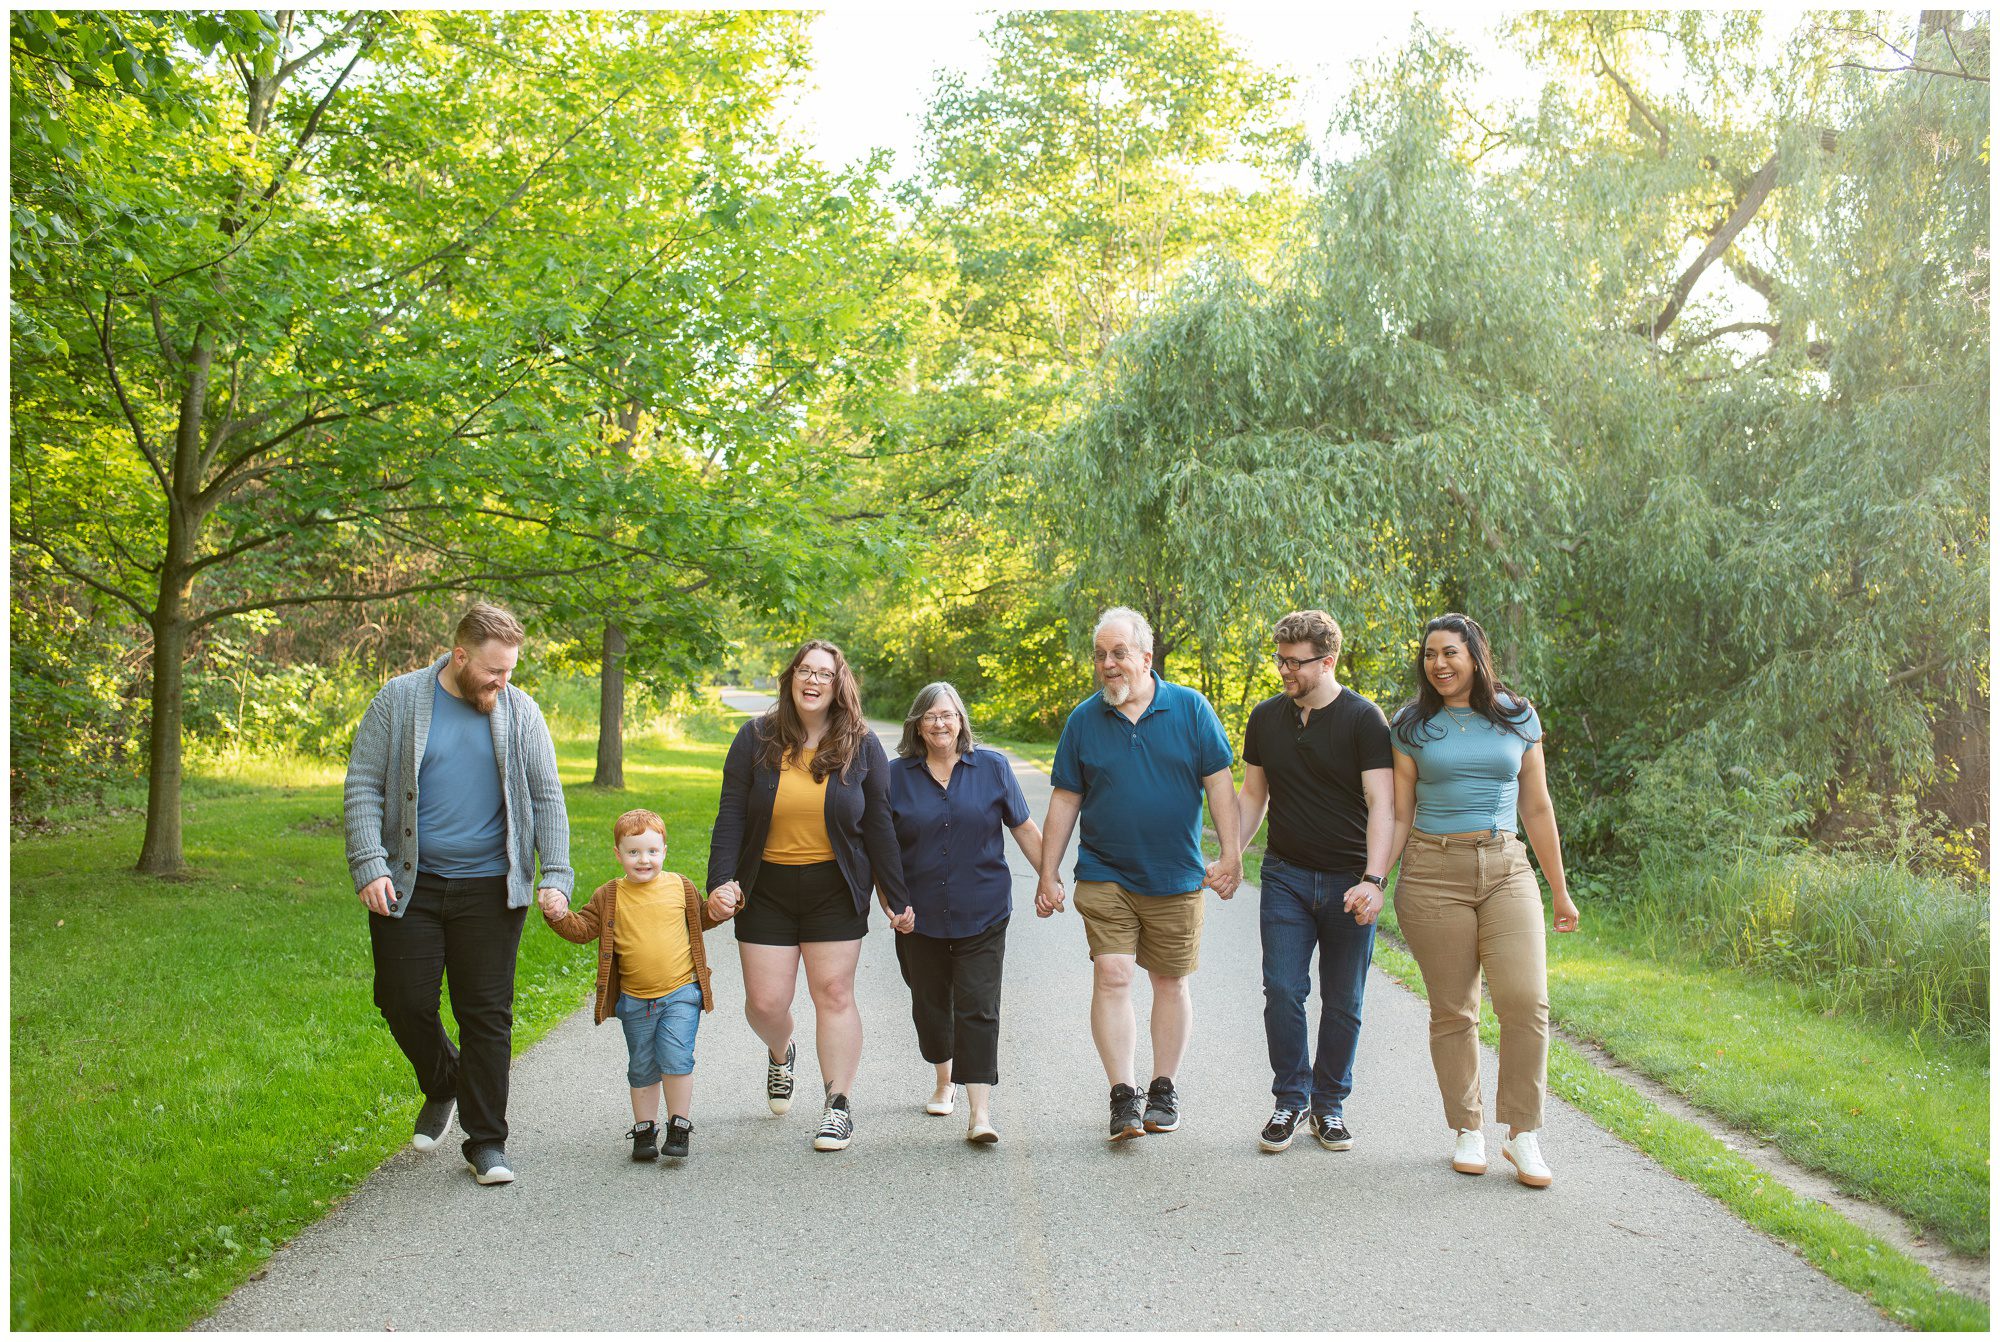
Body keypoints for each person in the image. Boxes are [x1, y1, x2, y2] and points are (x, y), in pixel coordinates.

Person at [343, 601, 573, 1186]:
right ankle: (444, 1079)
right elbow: (364, 785)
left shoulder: (520, 711)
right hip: (409, 882)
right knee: (402, 1001)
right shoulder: (398, 701)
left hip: (491, 889)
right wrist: (370, 863)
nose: (503, 682)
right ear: (459, 655)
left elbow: (547, 797)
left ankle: (487, 1142)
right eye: (494, 671)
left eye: (511, 671)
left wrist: (555, 875)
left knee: (486, 1015)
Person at [1387, 612, 1580, 1188]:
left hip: (1504, 866)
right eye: (1429, 655)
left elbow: (1537, 808)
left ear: (1475, 654)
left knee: (1526, 1001)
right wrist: (1376, 879)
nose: (1439, 664)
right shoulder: (1411, 726)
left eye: (1450, 652)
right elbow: (1400, 813)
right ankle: (1467, 1127)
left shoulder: (1518, 717)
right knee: (1454, 1009)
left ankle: (1523, 1135)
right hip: (1431, 871)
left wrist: (1560, 890)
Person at [1036, 606, 1241, 1142]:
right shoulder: (1084, 719)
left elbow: (1220, 784)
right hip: (1106, 872)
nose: (1108, 664)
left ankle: (1164, 1085)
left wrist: (1232, 855)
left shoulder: (1192, 709)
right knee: (1113, 974)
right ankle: (1124, 1094)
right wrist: (1047, 871)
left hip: (1177, 875)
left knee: (1170, 981)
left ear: (1146, 658)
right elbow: (1065, 797)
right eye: (1100, 655)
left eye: (1118, 653)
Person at [706, 639, 914, 1152]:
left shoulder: (862, 745)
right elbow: (731, 811)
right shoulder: (755, 737)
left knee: (835, 994)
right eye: (805, 670)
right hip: (767, 887)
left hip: (834, 888)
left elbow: (879, 824)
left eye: (824, 672)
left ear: (838, 683)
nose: (813, 680)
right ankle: (782, 1053)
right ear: (791, 678)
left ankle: (837, 1106)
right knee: (765, 1002)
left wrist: (894, 893)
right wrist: (719, 882)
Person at [1223, 610, 1393, 1155]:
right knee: (1284, 991)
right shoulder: (1266, 718)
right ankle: (1290, 1100)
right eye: (1280, 660)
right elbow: (1253, 796)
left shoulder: (1364, 720)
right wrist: (1232, 856)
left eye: (1295, 663)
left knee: (1345, 1000)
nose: (1284, 672)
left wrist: (1375, 880)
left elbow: (1382, 804)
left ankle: (1330, 1107)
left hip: (1350, 882)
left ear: (1328, 661)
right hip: (1286, 877)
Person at [885, 682, 1045, 1144]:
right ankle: (943, 1079)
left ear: (962, 721)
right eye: (931, 715)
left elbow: (1024, 827)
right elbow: (882, 847)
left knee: (978, 1005)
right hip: (919, 917)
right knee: (931, 1007)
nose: (941, 723)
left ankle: (980, 1114)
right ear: (917, 723)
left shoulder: (992, 767)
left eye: (949, 714)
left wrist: (1049, 879)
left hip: (984, 910)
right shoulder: (895, 776)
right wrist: (892, 903)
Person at [538, 809, 732, 1162]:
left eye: (652, 851)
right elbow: (583, 930)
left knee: (676, 1056)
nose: (644, 860)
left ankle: (679, 1125)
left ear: (664, 851)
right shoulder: (609, 895)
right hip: (635, 999)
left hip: (681, 993)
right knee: (642, 1065)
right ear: (618, 854)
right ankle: (644, 1129)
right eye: (634, 852)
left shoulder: (680, 886)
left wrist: (719, 909)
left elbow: (701, 918)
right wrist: (558, 915)